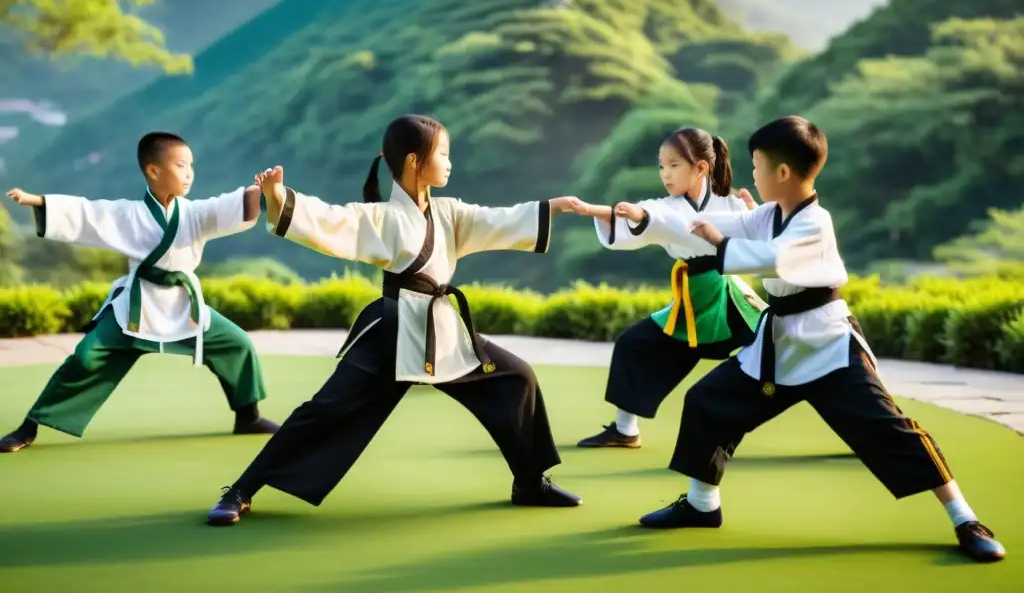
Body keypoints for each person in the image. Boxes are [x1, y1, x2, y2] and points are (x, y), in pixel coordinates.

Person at [628, 116, 1005, 564]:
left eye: (756, 166)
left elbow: (776, 258)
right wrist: (648, 217)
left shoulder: (815, 223)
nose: (751, 174)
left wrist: (718, 241)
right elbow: (715, 223)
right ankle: (701, 504)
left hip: (827, 345)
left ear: (782, 173)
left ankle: (965, 518)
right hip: (779, 341)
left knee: (891, 429)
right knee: (709, 400)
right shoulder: (770, 213)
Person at [206, 114, 583, 526]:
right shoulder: (382, 217)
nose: (450, 162)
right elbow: (332, 219)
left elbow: (496, 219)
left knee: (516, 378)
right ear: (413, 161)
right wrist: (278, 197)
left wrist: (550, 208)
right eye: (442, 153)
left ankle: (529, 482)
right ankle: (241, 490)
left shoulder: (449, 213)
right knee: (325, 411)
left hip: (442, 330)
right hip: (394, 332)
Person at [0, 132, 279, 454]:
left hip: (183, 306)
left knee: (236, 344)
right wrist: (38, 201)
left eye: (191, 166)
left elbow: (231, 208)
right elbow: (87, 213)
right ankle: (28, 427)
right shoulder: (128, 213)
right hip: (137, 307)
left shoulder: (194, 213)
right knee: (87, 357)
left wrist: (260, 191)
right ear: (154, 171)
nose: (189, 173)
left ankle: (249, 417)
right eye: (180, 165)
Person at [571, 127, 765, 449]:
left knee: (786, 347)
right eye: (661, 166)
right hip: (692, 302)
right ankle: (625, 430)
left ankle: (847, 398)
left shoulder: (729, 206)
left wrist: (756, 214)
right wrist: (602, 211)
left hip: (729, 300)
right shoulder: (669, 206)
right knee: (634, 344)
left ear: (701, 167)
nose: (665, 174)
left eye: (674, 165)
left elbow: (669, 222)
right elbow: (655, 215)